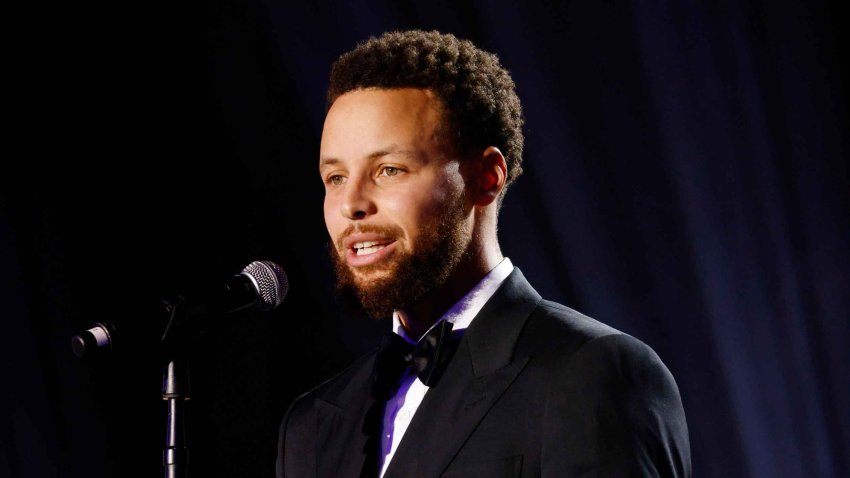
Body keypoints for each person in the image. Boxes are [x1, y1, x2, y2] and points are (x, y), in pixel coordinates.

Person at [277, 30, 691, 477]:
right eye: (335, 177)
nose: (351, 204)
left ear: (486, 178)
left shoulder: (593, 375)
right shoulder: (311, 423)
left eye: (389, 169)